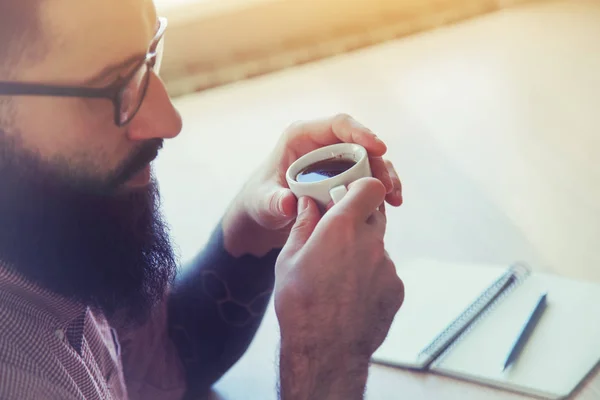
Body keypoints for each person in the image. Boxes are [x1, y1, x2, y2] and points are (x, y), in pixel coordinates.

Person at [0, 0, 405, 399]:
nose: (168, 120)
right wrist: (324, 362)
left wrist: (258, 222)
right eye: (113, 86)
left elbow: (162, 360)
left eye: (148, 56)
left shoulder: (48, 240)